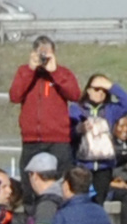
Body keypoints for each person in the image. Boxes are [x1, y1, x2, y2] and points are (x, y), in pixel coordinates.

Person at [7, 36, 82, 174]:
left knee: (59, 179)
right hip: (31, 141)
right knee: (30, 181)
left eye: (47, 53)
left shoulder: (63, 73)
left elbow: (75, 95)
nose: (43, 58)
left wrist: (55, 72)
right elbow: (15, 96)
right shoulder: (24, 72)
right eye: (40, 53)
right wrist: (30, 69)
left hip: (58, 141)